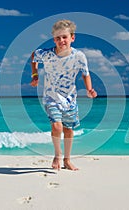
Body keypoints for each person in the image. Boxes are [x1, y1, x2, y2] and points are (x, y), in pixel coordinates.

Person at [30, 19, 97, 170]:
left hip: (70, 98)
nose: (61, 41)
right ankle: (57, 155)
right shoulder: (46, 54)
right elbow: (34, 56)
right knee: (57, 126)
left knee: (68, 129)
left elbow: (85, 74)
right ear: (54, 39)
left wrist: (89, 89)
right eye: (58, 38)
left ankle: (67, 160)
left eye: (64, 37)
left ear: (72, 37)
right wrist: (35, 75)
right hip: (50, 96)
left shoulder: (79, 56)